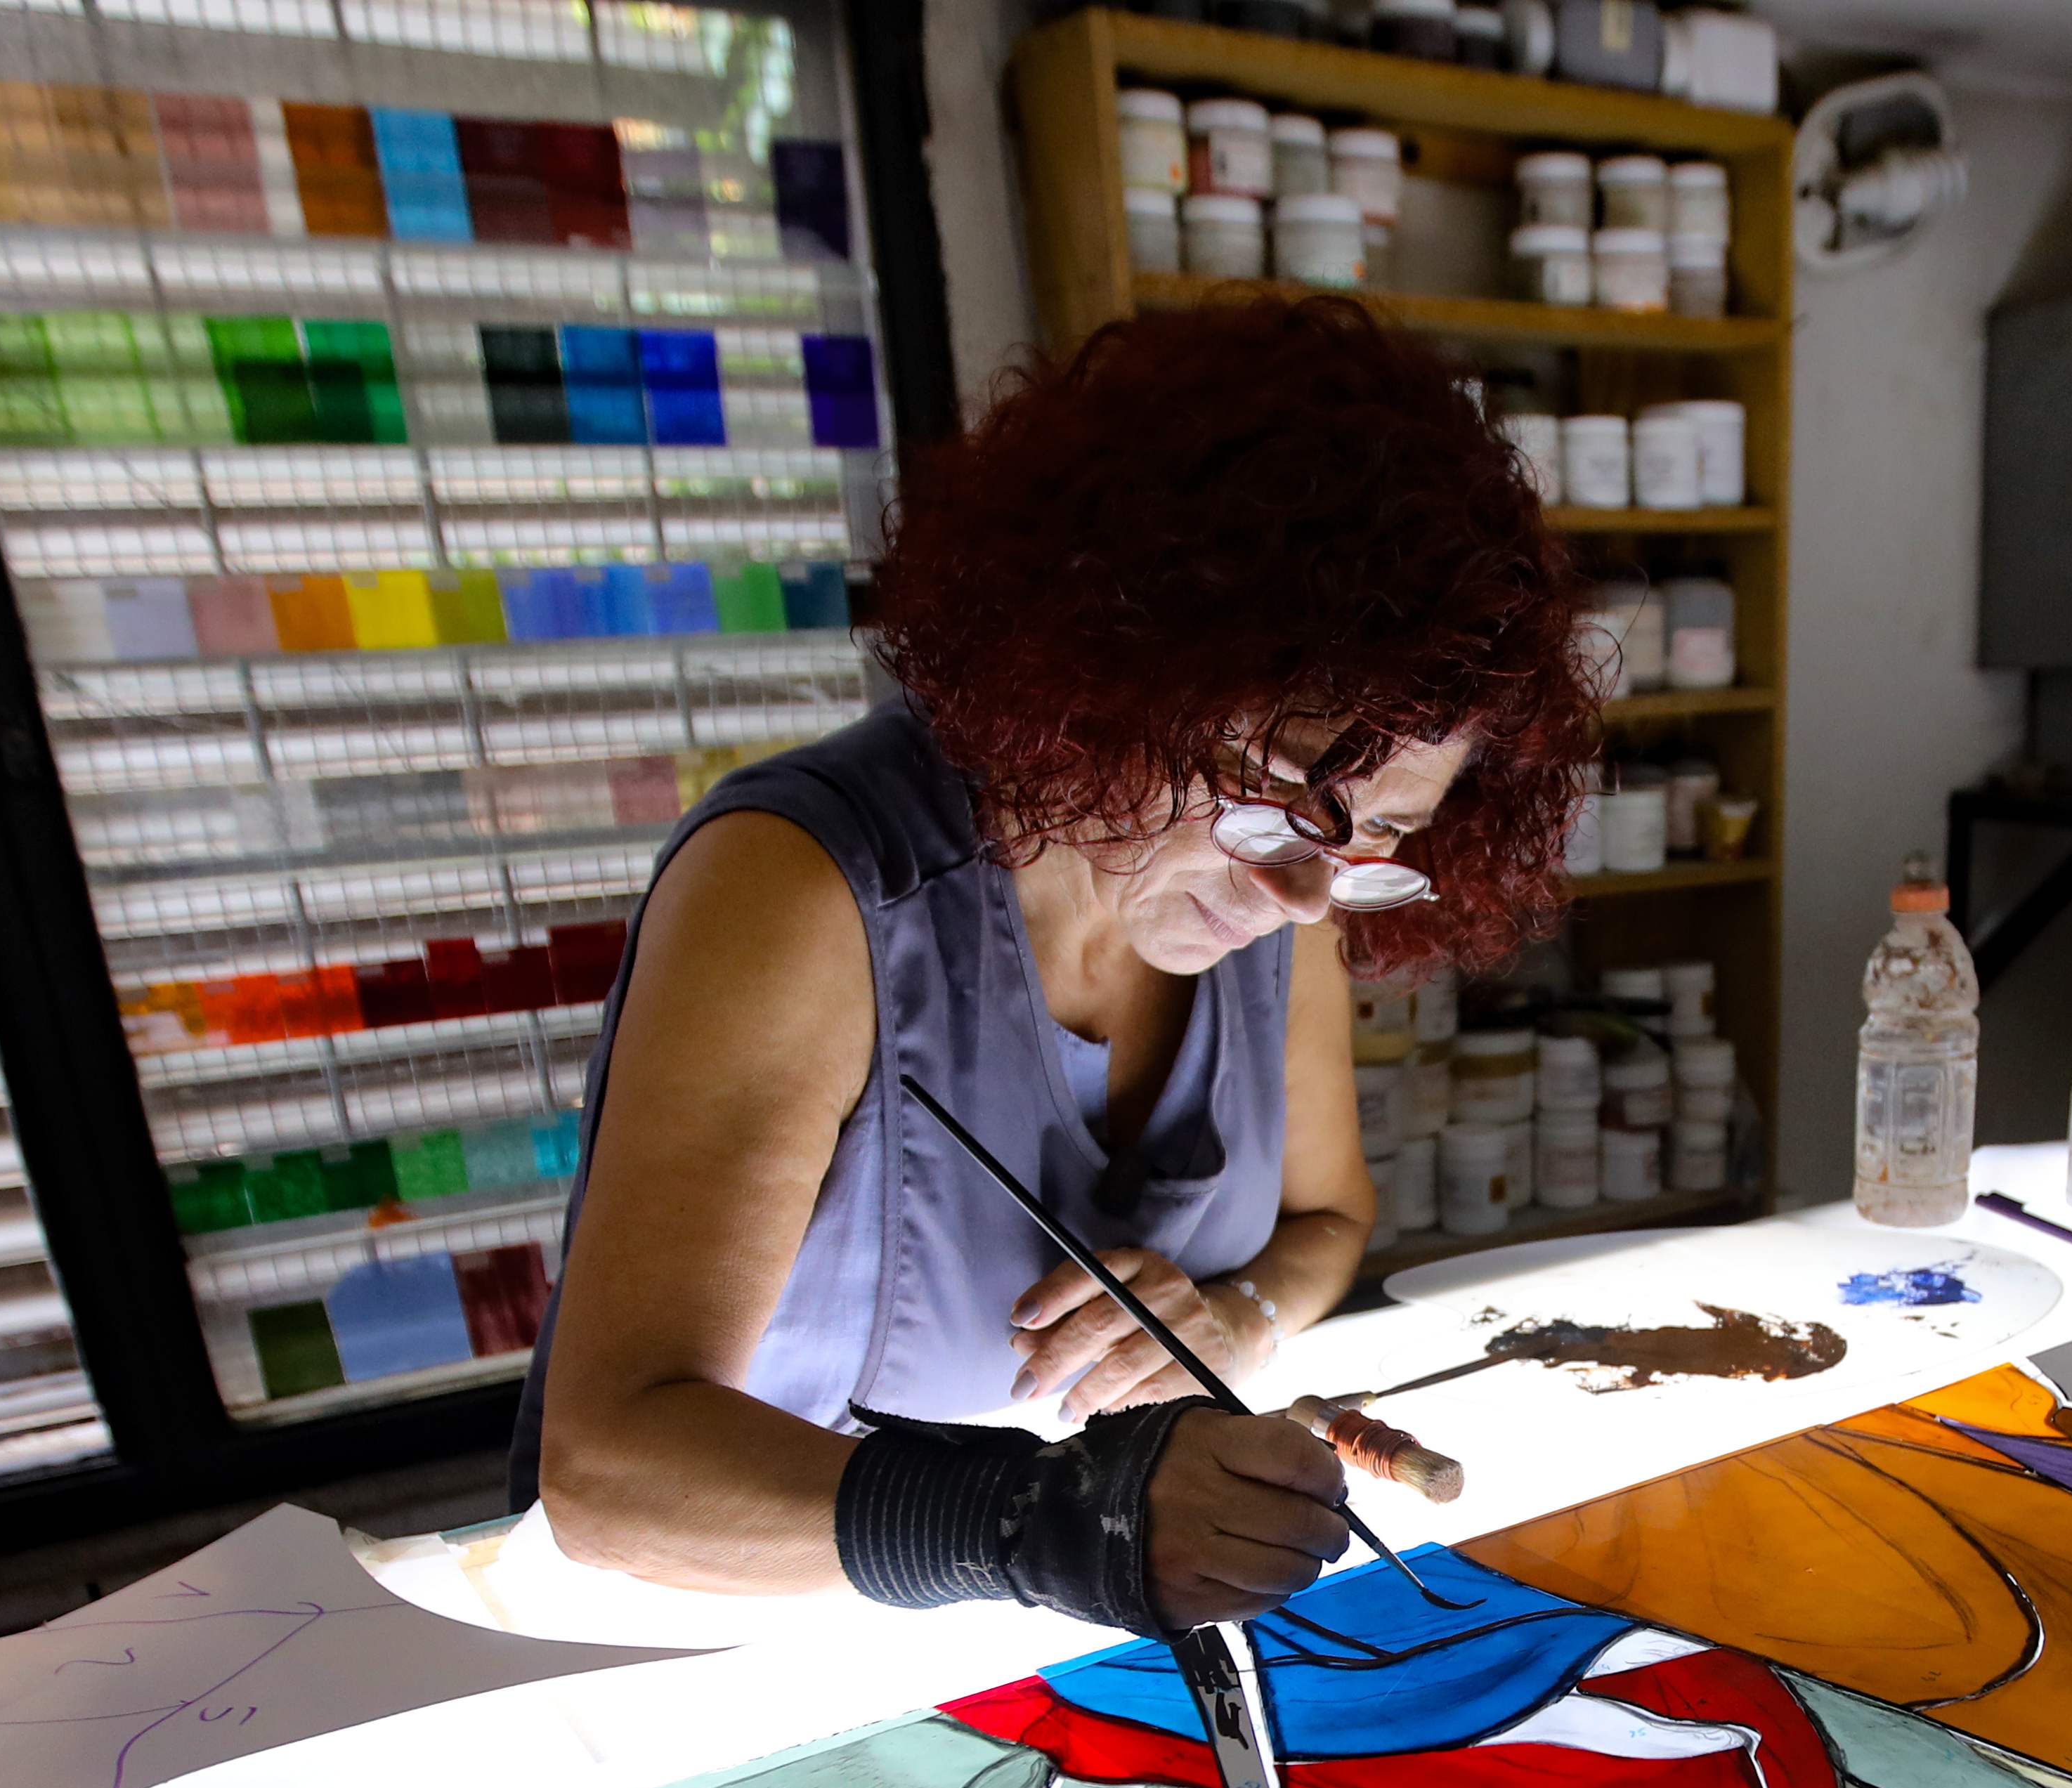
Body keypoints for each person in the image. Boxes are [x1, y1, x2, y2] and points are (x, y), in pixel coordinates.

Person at [512, 299, 1591, 1636]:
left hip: (1031, 1644)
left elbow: (1325, 1227)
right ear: (1113, 676)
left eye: (1379, 835)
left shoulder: (1272, 910)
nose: (1313, 890)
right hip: (732, 1632)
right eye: (1279, 805)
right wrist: (1044, 1520)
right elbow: (607, 1475)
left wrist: (1232, 1324)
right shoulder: (801, 892)